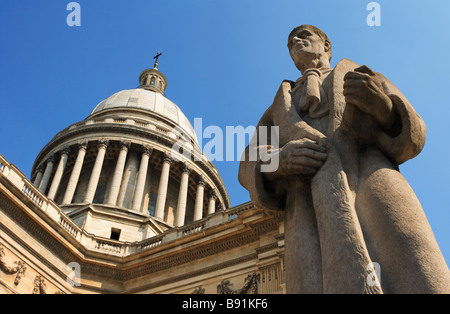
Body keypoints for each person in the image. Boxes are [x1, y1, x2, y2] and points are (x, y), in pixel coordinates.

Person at [239, 25, 450, 293]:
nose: (295, 40)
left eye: (304, 35)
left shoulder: (361, 75)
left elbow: (417, 133)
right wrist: (278, 161)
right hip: (309, 208)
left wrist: (383, 108)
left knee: (416, 274)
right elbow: (248, 163)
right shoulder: (278, 106)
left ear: (326, 45)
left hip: (373, 187)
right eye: (291, 42)